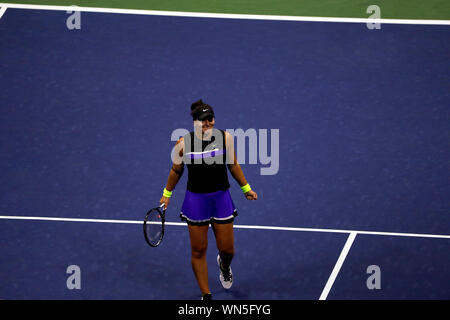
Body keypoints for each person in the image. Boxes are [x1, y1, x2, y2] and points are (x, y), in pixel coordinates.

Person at [159, 99, 258, 300]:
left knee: (228, 249)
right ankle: (206, 295)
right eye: (202, 121)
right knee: (198, 250)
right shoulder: (183, 144)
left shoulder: (225, 138)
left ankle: (224, 264)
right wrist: (166, 194)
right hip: (196, 202)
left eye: (209, 120)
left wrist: (246, 188)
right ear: (194, 122)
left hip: (221, 199)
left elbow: (233, 165)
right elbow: (175, 171)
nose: (207, 124)